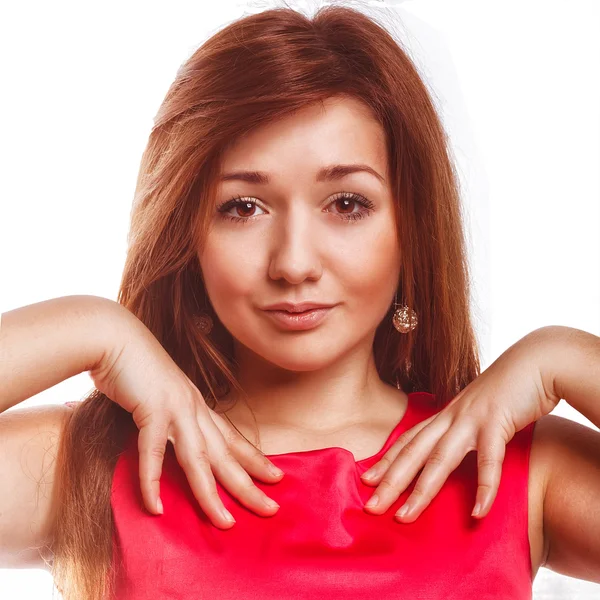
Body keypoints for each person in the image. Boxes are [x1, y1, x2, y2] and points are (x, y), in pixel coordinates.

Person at [2, 4, 600, 600]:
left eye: (346, 204)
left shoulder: (510, 469)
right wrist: (96, 332)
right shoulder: (103, 464)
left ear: (411, 227)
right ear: (188, 236)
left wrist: (565, 359)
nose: (293, 263)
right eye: (242, 207)